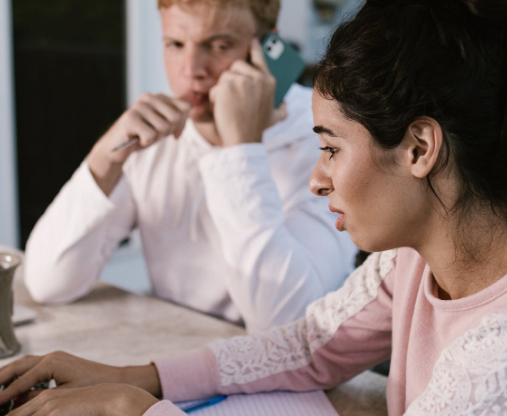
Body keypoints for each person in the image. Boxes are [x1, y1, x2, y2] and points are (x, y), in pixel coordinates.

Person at [0, 0, 507, 415]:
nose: (317, 180)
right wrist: (136, 376)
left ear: (420, 148)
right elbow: (309, 344)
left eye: (332, 148)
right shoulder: (440, 241)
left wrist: (140, 411)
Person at [23, 0, 356, 333]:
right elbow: (48, 283)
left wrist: (241, 146)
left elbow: (285, 326)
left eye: (218, 45)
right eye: (176, 45)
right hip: (176, 353)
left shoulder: (326, 140)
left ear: (269, 47)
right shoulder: (155, 136)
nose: (192, 69)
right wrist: (104, 157)